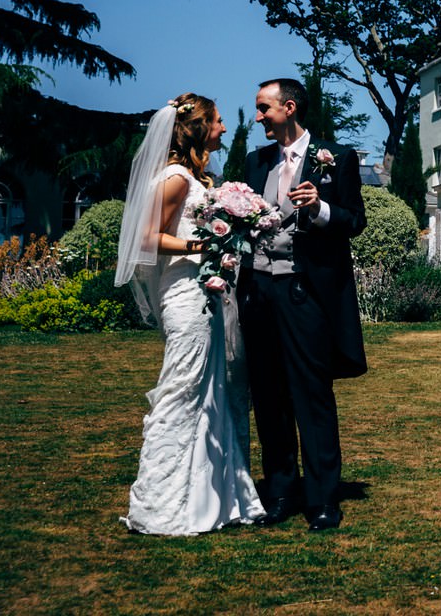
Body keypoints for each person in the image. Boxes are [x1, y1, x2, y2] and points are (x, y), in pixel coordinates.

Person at [116, 94, 265, 535]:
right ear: (198, 127)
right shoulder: (177, 178)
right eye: (217, 121)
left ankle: (212, 499)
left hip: (206, 294)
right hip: (185, 295)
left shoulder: (200, 177)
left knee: (211, 390)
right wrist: (202, 246)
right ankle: (161, 502)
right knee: (183, 388)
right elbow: (147, 238)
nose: (223, 128)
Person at [241, 78, 367, 532]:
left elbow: (355, 221)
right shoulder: (256, 162)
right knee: (269, 396)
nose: (257, 118)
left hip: (305, 294)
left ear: (289, 108)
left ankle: (322, 500)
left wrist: (318, 208)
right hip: (258, 293)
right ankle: (279, 492)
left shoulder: (337, 157)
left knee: (312, 396)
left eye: (263, 109)